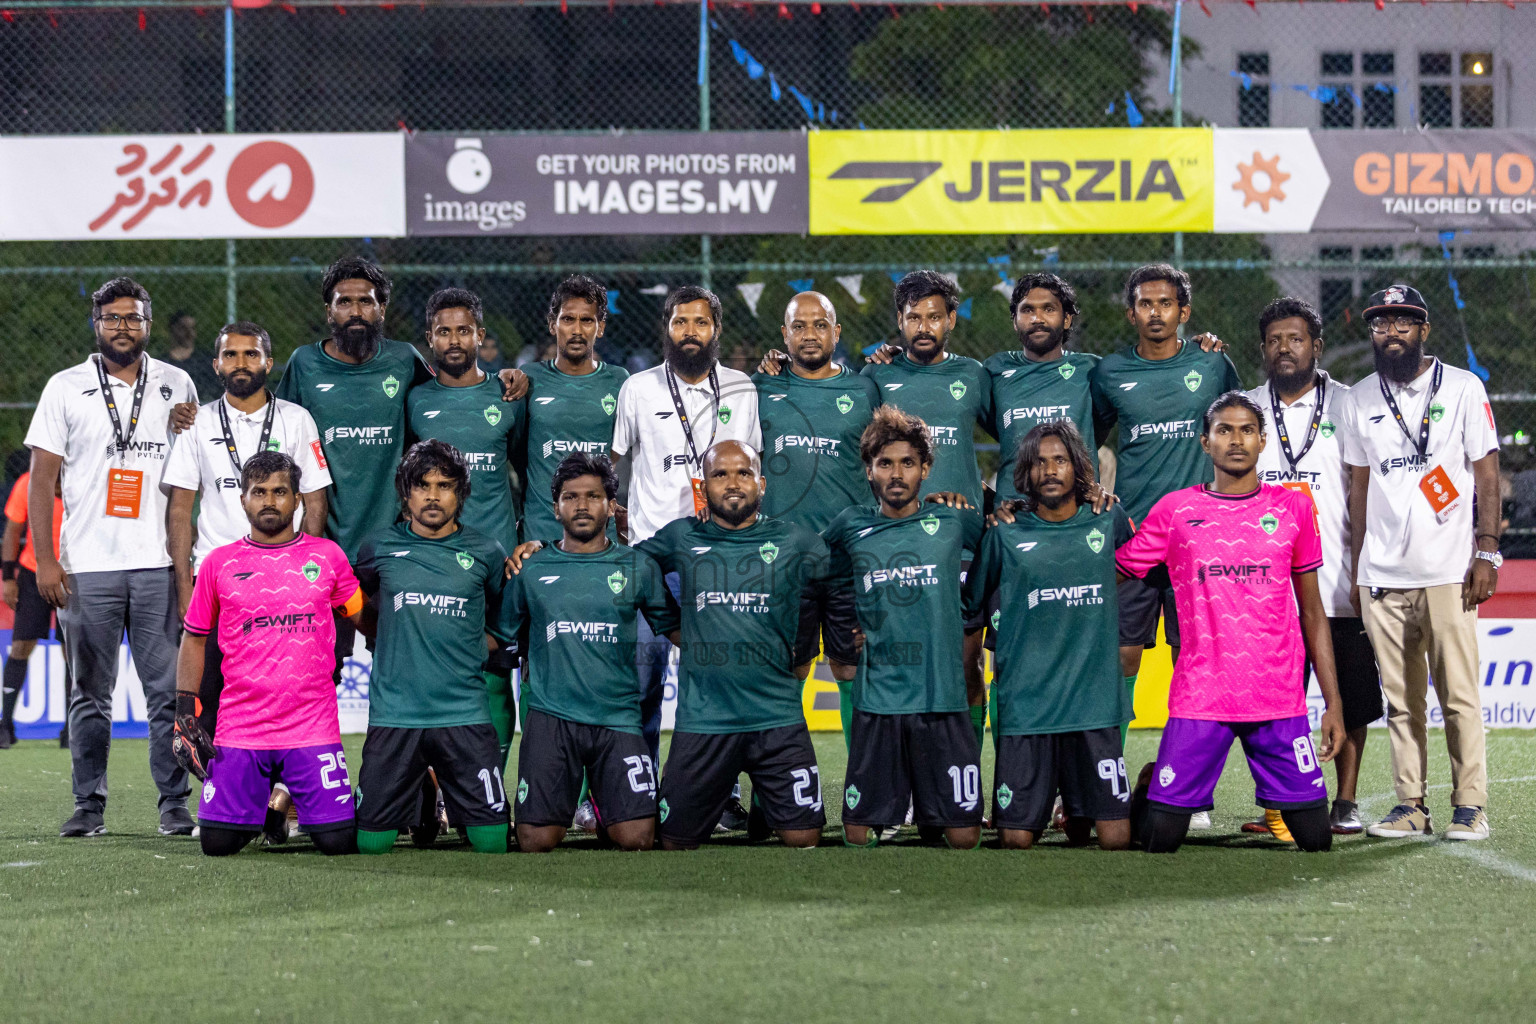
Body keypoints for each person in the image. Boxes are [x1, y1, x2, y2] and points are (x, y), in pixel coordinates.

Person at [275, 258, 526, 681]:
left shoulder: (404, 361)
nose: (356, 311)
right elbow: (275, 436)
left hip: (391, 552)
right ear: (328, 311)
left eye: (366, 302)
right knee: (312, 673)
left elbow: (451, 391)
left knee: (401, 664)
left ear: (382, 309)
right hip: (324, 551)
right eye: (344, 302)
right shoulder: (303, 365)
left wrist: (503, 377)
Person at [1118, 392, 1345, 854]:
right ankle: (1149, 786)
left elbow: (1313, 613)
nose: (1235, 440)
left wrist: (1333, 703)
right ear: (1205, 442)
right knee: (1160, 841)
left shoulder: (1294, 509)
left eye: (1245, 430)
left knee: (1316, 841)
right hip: (1202, 694)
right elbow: (1118, 567)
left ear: (1263, 441)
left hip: (1277, 697)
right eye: (1224, 430)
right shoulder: (1175, 510)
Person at [24, 276, 201, 838]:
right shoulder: (64, 386)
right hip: (86, 568)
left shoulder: (177, 383)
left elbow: (189, 470)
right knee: (89, 698)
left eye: (133, 317)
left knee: (167, 696)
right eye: (112, 318)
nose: (123, 327)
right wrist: (48, 562)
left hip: (157, 563)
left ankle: (174, 805)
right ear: (96, 324)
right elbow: (40, 482)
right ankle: (89, 805)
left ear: (148, 324)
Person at [1340, 285, 1501, 842]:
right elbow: (1357, 488)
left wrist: (1487, 548)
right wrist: (1360, 567)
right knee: (1400, 702)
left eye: (1403, 322)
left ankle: (1470, 806)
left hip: (1448, 570)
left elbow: (1486, 473)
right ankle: (1411, 804)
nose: (1392, 332)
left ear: (1424, 330)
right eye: (1382, 323)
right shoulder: (1357, 397)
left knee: (1458, 695)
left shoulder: (1461, 387)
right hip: (1383, 575)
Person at [1089, 265, 1242, 827]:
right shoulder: (1108, 373)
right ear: (1130, 313)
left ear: (1185, 311)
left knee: (1194, 666)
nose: (1156, 312)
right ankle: (1104, 782)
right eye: (1145, 304)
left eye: (1166, 302)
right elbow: (1086, 441)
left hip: (1201, 548)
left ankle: (1191, 791)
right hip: (1133, 543)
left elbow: (1240, 435)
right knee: (1120, 659)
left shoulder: (1212, 364)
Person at [609, 285, 761, 830]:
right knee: (642, 684)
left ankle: (720, 799)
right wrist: (623, 521)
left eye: (701, 322)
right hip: (653, 563)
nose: (690, 331)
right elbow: (618, 465)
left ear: (716, 330)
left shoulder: (743, 389)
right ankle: (635, 790)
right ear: (665, 328)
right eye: (680, 322)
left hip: (720, 562)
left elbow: (751, 469)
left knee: (719, 686)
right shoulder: (638, 388)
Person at [635, 441, 829, 850]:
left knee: (805, 838)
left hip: (777, 714)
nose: (732, 482)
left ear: (761, 483)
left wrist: (812, 645)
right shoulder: (681, 537)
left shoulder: (795, 540)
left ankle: (766, 799)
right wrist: (670, 624)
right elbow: (631, 565)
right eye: (719, 474)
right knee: (673, 841)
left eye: (743, 473)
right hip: (705, 721)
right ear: (703, 487)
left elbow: (838, 582)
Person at [172, 452, 365, 857]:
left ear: (298, 500)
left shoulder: (328, 557)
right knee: (217, 844)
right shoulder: (218, 564)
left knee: (339, 842)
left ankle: (286, 802)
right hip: (242, 727)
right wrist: (185, 709)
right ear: (242, 500)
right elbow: (193, 639)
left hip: (311, 726)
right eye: (259, 492)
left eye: (280, 492)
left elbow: (361, 615)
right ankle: (263, 809)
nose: (270, 501)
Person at [1244, 297, 1381, 839]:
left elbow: (1360, 491)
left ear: (1316, 346)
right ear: (1263, 349)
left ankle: (1345, 801)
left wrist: (1360, 568)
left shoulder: (1347, 405)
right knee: (1274, 704)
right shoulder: (1247, 407)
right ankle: (1278, 803)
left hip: (1336, 584)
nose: (1285, 348)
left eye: (1295, 339)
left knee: (1348, 696)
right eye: (1275, 340)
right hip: (1263, 587)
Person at [964, 421, 1135, 850]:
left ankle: (1141, 793)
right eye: (1039, 462)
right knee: (1016, 839)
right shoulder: (1005, 532)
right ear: (1027, 472)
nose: (1051, 470)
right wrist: (970, 675)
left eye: (1060, 459)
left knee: (1115, 839)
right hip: (1029, 707)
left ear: (1078, 466)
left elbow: (1137, 575)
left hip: (1093, 706)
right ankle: (1057, 809)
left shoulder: (1107, 520)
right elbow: (971, 607)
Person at [500, 453, 680, 852]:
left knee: (636, 839)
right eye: (571, 497)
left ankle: (607, 801)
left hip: (616, 716)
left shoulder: (638, 567)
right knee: (534, 841)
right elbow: (499, 637)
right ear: (555, 507)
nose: (582, 505)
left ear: (612, 505)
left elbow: (678, 629)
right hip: (551, 719)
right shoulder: (531, 567)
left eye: (593, 496)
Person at [825, 406, 985, 849]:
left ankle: (935, 809)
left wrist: (969, 611)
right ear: (869, 471)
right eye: (885, 463)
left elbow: (1000, 548)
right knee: (857, 836)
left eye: (908, 463)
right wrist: (848, 627)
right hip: (880, 701)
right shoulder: (849, 526)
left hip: (942, 697)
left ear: (926, 468)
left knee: (964, 839)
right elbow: (824, 581)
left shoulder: (953, 520)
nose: (897, 474)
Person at [164, 321, 331, 731]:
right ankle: (223, 792)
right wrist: (185, 589)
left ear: (268, 362)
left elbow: (315, 502)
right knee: (212, 699)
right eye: (232, 354)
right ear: (217, 364)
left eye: (251, 353)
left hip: (283, 580)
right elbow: (180, 510)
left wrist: (305, 572)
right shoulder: (197, 424)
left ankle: (277, 792)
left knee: (283, 692)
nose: (242, 362)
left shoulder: (297, 419)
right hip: (216, 580)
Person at [351, 440, 512, 855]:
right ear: (406, 493)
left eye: (445, 485)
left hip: (464, 713)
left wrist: (477, 645)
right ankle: (421, 791)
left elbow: (506, 620)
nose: (434, 495)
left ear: (461, 492)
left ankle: (433, 792)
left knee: (491, 841)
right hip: (396, 713)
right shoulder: (377, 548)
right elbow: (354, 602)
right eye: (423, 485)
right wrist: (383, 632)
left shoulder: (486, 551)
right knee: (372, 843)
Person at [752, 291, 882, 749]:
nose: (810, 335)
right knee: (790, 668)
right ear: (784, 334)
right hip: (784, 562)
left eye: (820, 324)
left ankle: (865, 782)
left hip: (850, 560)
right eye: (799, 326)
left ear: (836, 332)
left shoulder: (866, 390)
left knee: (852, 668)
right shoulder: (760, 387)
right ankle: (782, 784)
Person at [406, 288, 527, 766]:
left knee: (496, 669)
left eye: (464, 330)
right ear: (429, 339)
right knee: (428, 674)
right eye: (443, 331)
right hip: (431, 560)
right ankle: (429, 788)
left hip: (498, 558)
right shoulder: (415, 400)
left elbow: (527, 466)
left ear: (480, 334)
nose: (454, 340)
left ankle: (489, 779)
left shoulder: (510, 394)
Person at [520, 275, 630, 547]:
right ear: (552, 325)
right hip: (541, 532)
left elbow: (621, 449)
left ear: (600, 327)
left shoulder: (620, 381)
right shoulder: (528, 378)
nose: (577, 330)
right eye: (568, 319)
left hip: (600, 535)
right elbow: (513, 446)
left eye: (587, 320)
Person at [987, 274, 1104, 507]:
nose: (1037, 318)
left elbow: (1102, 426)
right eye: (1027, 310)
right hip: (1013, 516)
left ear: (1067, 319)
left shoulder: (1093, 370)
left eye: (1048, 309)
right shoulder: (994, 370)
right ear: (1014, 320)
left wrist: (1195, 345)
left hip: (1078, 513)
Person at [1, 471, 63, 748]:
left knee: (73, 653)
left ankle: (73, 731)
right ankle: (5, 725)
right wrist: (8, 577)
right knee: (21, 647)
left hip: (74, 574)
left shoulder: (85, 474)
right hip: (32, 572)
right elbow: (14, 529)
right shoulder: (29, 481)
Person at [161, 311, 223, 402]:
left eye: (192, 328)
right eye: (183, 328)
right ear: (173, 329)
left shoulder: (206, 361)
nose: (189, 333)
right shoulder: (162, 364)